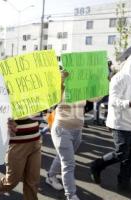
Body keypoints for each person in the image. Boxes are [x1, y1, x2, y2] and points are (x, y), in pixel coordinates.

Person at [90, 51, 131, 195]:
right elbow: (114, 101)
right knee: (121, 153)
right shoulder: (119, 78)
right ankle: (97, 165)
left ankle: (124, 184)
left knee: (130, 156)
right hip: (120, 122)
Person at [46, 71, 85, 200]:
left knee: (63, 156)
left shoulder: (83, 85)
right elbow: (53, 100)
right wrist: (61, 82)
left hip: (77, 129)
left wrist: (103, 82)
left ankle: (51, 176)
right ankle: (71, 195)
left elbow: (95, 98)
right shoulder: (61, 84)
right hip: (62, 129)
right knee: (69, 163)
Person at [0, 114, 42, 200]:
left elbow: (38, 115)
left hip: (36, 141)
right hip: (17, 143)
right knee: (11, 181)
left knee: (33, 183)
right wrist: (4, 122)